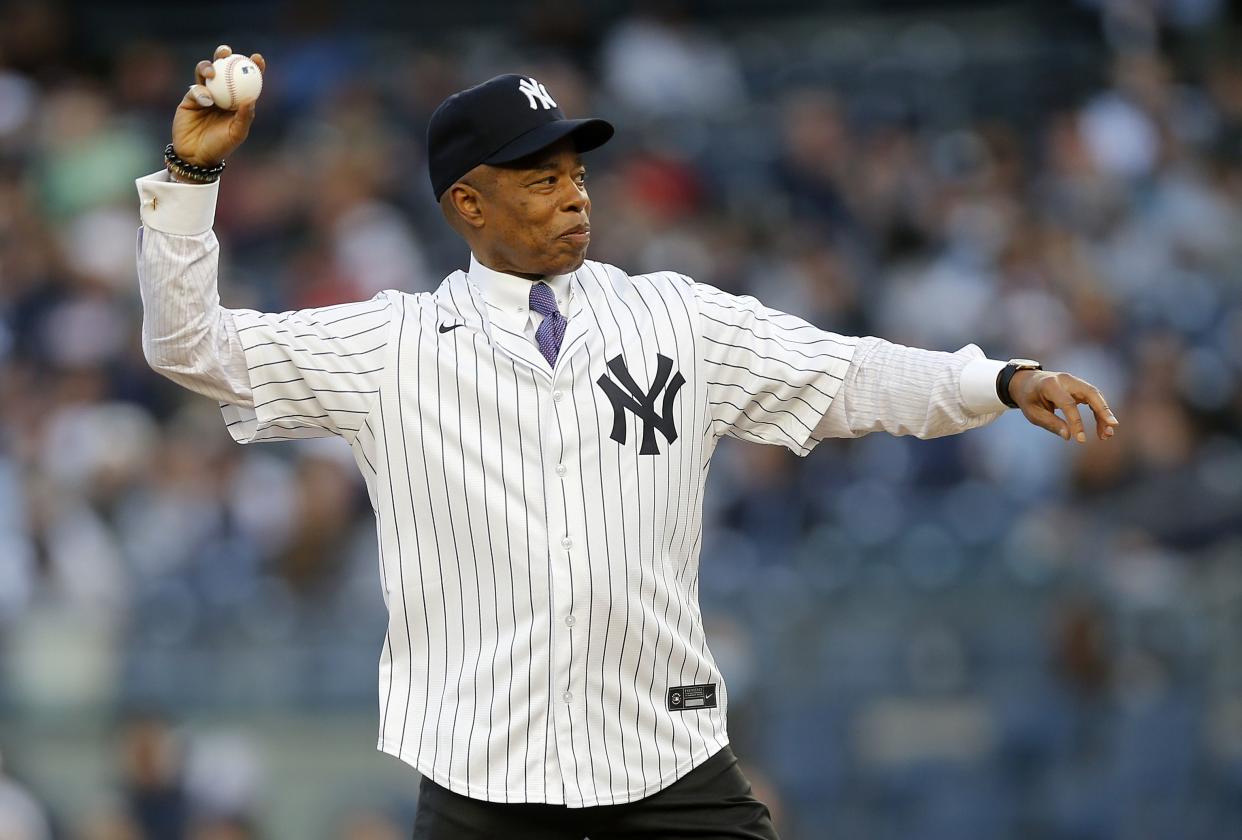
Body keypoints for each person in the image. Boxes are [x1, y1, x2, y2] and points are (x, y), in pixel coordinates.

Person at [134, 45, 1119, 840]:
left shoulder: (673, 318)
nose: (573, 194)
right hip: (485, 773)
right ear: (467, 206)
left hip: (664, 756)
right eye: (537, 176)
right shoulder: (392, 344)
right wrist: (192, 176)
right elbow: (193, 349)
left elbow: (845, 373)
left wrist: (993, 379)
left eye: (575, 170)